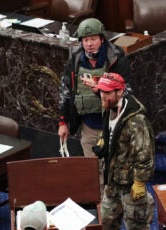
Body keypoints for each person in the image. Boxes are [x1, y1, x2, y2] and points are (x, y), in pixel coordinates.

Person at [57, 18, 131, 186]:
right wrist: (63, 122)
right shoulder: (75, 60)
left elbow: (127, 94)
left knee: (115, 171)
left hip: (113, 126)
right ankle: (101, 208)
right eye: (85, 40)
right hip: (89, 127)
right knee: (93, 172)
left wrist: (99, 89)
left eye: (93, 39)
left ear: (102, 39)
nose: (89, 44)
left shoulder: (117, 60)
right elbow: (66, 93)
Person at [95, 73, 157, 230]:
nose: (103, 96)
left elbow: (144, 155)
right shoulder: (110, 108)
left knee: (136, 228)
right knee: (105, 223)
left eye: (107, 92)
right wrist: (105, 141)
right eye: (101, 92)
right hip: (113, 181)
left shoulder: (135, 121)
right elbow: (112, 132)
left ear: (120, 91)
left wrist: (140, 182)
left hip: (131, 185)